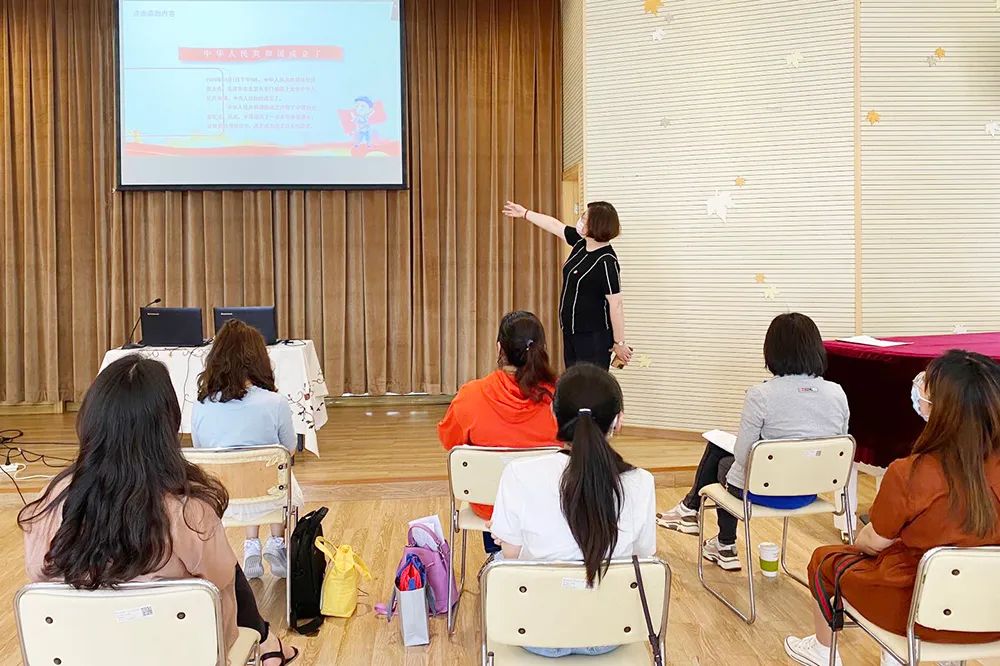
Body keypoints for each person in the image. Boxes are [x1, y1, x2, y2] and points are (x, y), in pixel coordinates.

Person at [19, 356, 298, 666]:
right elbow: (223, 597)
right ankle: (270, 641)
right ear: (168, 424)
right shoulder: (189, 512)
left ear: (90, 420)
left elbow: (38, 575)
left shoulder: (51, 502)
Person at [785, 350, 1000, 666]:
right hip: (989, 614)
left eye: (927, 391)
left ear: (944, 411)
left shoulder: (910, 473)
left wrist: (864, 536)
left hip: (915, 612)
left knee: (824, 560)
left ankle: (822, 650)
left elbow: (873, 542)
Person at [657, 312, 850, 571]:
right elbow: (837, 444)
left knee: (723, 460)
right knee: (731, 458)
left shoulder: (761, 395)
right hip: (808, 491)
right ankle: (694, 516)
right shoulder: (837, 392)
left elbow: (742, 456)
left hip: (764, 492)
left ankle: (720, 539)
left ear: (771, 351)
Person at [490, 363, 656, 658]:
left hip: (535, 633)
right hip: (609, 633)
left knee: (497, 561)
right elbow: (643, 557)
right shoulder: (641, 483)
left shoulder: (519, 474)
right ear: (618, 421)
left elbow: (512, 555)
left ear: (553, 414)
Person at [438, 311, 559, 554]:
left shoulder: (470, 396)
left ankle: (498, 554)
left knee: (498, 494)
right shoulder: (561, 397)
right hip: (546, 504)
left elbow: (449, 441)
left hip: (488, 505)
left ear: (499, 349)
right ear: (542, 349)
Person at [192, 319, 303, 580]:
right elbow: (289, 451)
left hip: (222, 500)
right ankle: (277, 542)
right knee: (275, 470)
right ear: (259, 359)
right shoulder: (275, 403)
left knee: (242, 468)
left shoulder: (201, 405)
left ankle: (251, 544)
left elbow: (201, 452)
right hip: (271, 498)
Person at [503, 200, 631, 370]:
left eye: (584, 219)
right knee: (573, 380)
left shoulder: (607, 261)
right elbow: (555, 225)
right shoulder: (580, 244)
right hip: (570, 331)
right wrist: (525, 213)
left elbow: (616, 305)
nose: (580, 221)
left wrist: (619, 342)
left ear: (596, 226)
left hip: (593, 337)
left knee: (588, 386)